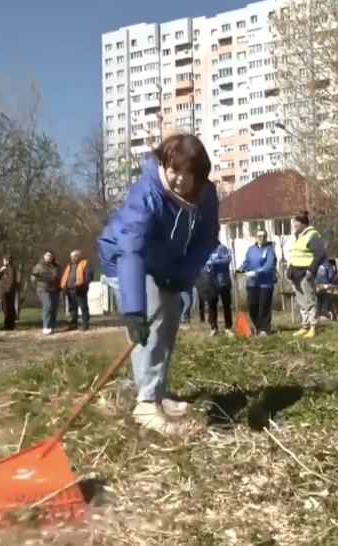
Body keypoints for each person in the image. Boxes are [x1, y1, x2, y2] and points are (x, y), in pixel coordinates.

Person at [97, 133, 219, 435]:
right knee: (152, 314)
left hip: (163, 263)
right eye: (174, 169)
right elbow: (131, 250)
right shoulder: (147, 196)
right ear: (164, 164)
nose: (179, 179)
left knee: (170, 314)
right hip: (123, 258)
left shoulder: (206, 196)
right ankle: (146, 403)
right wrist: (134, 309)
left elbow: (206, 240)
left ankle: (157, 391)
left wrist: (182, 275)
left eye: (189, 173)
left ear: (200, 174)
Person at [287, 212, 326, 338]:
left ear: (303, 223)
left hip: (305, 273)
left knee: (310, 300)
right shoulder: (298, 236)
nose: (294, 224)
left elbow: (320, 254)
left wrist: (311, 269)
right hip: (296, 273)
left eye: (296, 222)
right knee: (301, 302)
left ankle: (313, 326)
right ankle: (305, 325)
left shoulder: (312, 236)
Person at [238, 229, 276, 335]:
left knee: (264, 306)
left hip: (265, 283)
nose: (262, 238)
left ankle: (264, 328)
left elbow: (268, 265)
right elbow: (246, 262)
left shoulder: (269, 250)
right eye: (259, 236)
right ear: (255, 237)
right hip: (252, 284)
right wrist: (241, 268)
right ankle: (257, 326)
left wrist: (256, 272)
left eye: (264, 236)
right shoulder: (251, 250)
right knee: (252, 305)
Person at [203, 238, 234, 336]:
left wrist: (214, 262)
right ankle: (213, 327)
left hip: (223, 281)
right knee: (211, 305)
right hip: (210, 282)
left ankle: (228, 327)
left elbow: (227, 260)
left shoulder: (222, 248)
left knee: (226, 305)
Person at [61, 250, 94, 331]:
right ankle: (73, 324)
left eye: (75, 256)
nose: (73, 258)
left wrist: (84, 284)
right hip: (69, 290)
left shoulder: (85, 264)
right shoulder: (69, 265)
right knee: (72, 308)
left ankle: (85, 324)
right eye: (72, 256)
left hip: (80, 290)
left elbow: (89, 276)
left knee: (83, 307)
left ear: (79, 256)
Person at [31, 251, 62, 335]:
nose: (49, 257)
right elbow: (33, 278)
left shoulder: (57, 267)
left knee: (54, 307)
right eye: (47, 255)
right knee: (48, 305)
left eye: (51, 255)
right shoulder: (39, 266)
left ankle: (51, 326)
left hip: (55, 289)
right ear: (44, 256)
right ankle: (46, 326)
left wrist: (59, 287)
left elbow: (60, 277)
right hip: (43, 288)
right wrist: (36, 287)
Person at [0, 256, 19, 331]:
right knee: (6, 307)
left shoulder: (10, 269)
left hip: (7, 291)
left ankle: (9, 325)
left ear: (7, 261)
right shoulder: (4, 269)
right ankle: (8, 324)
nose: (3, 262)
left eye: (4, 260)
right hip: (4, 290)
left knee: (7, 308)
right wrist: (1, 271)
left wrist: (9, 290)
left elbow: (12, 281)